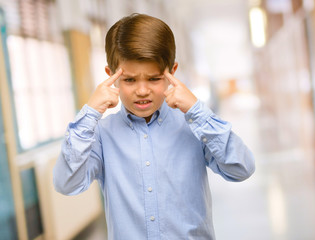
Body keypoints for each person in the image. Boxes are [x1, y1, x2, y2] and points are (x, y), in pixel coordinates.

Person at [53, 13, 255, 239]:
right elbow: (67, 184)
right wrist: (89, 114)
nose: (141, 90)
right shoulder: (100, 134)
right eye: (129, 80)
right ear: (111, 76)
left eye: (153, 79)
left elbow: (242, 169)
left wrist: (197, 111)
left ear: (172, 73)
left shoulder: (194, 125)